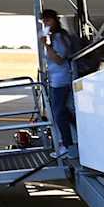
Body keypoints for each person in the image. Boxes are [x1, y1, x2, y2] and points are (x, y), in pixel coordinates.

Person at [40, 9, 76, 157]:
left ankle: (67, 145)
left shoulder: (59, 37)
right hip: (58, 79)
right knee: (63, 111)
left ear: (54, 20)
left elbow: (59, 59)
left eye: (47, 21)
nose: (45, 24)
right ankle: (78, 134)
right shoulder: (56, 37)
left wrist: (47, 45)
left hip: (61, 80)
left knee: (58, 112)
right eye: (44, 22)